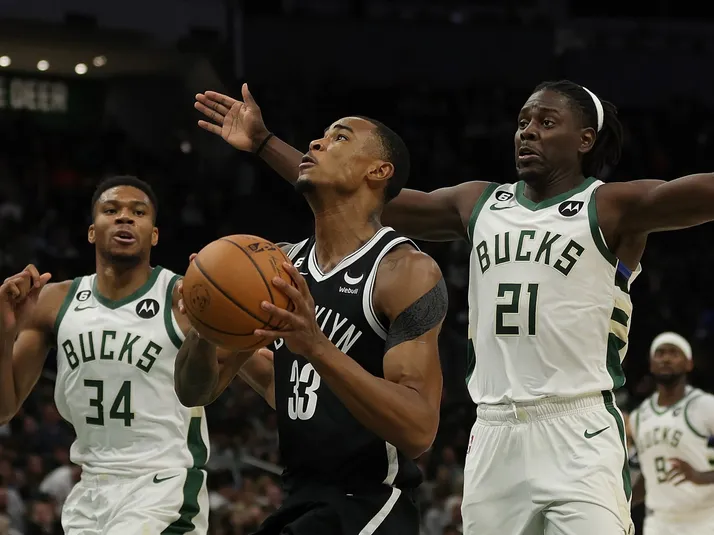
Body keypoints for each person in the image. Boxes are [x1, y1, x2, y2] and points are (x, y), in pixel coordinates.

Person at [193, 80, 714, 534]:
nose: (527, 132)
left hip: (578, 424)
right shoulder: (480, 202)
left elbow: (695, 195)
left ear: (585, 140)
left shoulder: (613, 205)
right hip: (492, 431)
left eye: (546, 122)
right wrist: (264, 143)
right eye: (522, 122)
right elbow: (363, 197)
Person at [175, 109, 447, 534]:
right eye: (320, 136)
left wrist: (316, 346)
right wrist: (205, 326)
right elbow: (196, 391)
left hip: (369, 505)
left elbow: (419, 430)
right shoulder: (279, 267)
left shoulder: (404, 271)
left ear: (379, 171)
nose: (316, 143)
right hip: (300, 500)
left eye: (340, 138)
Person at [0, 176, 237, 534]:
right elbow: (4, 409)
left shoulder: (184, 297)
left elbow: (237, 370)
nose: (124, 217)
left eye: (138, 212)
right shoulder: (53, 301)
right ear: (92, 231)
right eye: (111, 210)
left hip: (162, 486)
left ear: (153, 235)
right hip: (90, 491)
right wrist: (4, 333)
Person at [628, 332, 714, 535]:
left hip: (704, 520)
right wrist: (623, 504)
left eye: (674, 353)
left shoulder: (705, 405)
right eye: (660, 353)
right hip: (658, 523)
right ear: (651, 364)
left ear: (689, 364)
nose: (666, 358)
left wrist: (699, 476)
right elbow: (648, 476)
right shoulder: (639, 416)